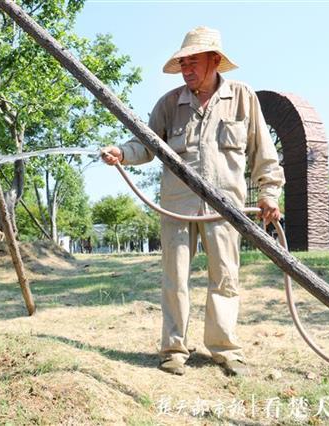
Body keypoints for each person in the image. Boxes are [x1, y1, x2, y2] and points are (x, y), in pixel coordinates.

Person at [101, 26, 284, 376]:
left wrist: (268, 192)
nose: (186, 69)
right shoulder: (169, 104)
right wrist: (122, 153)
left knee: (225, 278)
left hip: (226, 208)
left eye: (193, 62)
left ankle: (224, 349)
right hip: (176, 206)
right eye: (182, 63)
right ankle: (173, 350)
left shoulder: (243, 98)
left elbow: (264, 153)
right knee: (175, 278)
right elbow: (146, 145)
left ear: (215, 61)